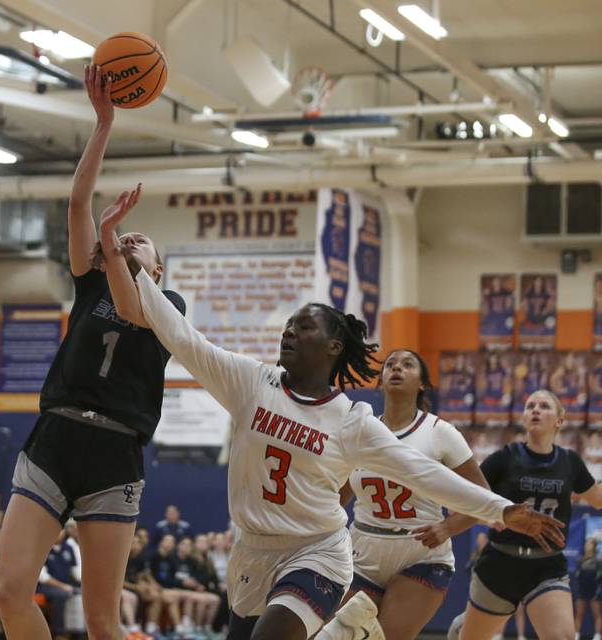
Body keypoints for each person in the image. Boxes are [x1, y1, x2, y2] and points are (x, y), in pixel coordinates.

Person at [97, 199, 566, 640]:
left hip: (317, 553)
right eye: (288, 325)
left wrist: (501, 510)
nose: (289, 331)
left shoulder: (352, 421)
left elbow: (423, 472)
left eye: (304, 326)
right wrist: (138, 273)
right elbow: (183, 336)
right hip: (251, 549)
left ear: (333, 346)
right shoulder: (250, 382)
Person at [0, 63, 185, 640]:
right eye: (126, 236)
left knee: (103, 621)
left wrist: (111, 240)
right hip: (55, 437)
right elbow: (78, 204)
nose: (132, 237)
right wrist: (103, 124)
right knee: (9, 594)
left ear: (158, 267)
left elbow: (132, 309)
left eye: (142, 240)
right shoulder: (92, 282)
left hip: (113, 453)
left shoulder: (167, 304)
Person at [326, 349, 491, 640]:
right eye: (390, 364)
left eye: (407, 364)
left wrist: (448, 526)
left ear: (423, 384)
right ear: (380, 382)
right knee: (333, 635)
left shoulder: (440, 432)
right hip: (362, 551)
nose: (397, 368)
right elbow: (337, 498)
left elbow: (483, 497)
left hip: (421, 554)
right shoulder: (360, 432)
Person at [446, 390, 602, 640]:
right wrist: (490, 517)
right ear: (524, 417)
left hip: (547, 565)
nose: (536, 410)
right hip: (501, 562)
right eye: (530, 406)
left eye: (544, 406)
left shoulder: (570, 462)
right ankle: (465, 628)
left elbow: (597, 499)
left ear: (560, 420)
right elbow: (463, 501)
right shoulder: (504, 458)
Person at [122, 534, 164, 637]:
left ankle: (151, 628)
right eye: (133, 542)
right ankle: (133, 627)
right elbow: (119, 582)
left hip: (137, 587)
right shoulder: (122, 557)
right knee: (138, 595)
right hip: (125, 587)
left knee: (156, 596)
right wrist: (136, 587)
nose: (136, 545)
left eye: (138, 543)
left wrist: (152, 585)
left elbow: (145, 574)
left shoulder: (142, 558)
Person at [574, 538, 602, 640]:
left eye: (589, 544)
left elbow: (600, 576)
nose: (586, 546)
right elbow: (578, 575)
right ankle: (576, 635)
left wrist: (597, 588)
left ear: (594, 546)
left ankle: (598, 636)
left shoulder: (599, 560)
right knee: (579, 613)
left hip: (594, 590)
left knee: (597, 614)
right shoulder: (580, 560)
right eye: (586, 544)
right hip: (582, 590)